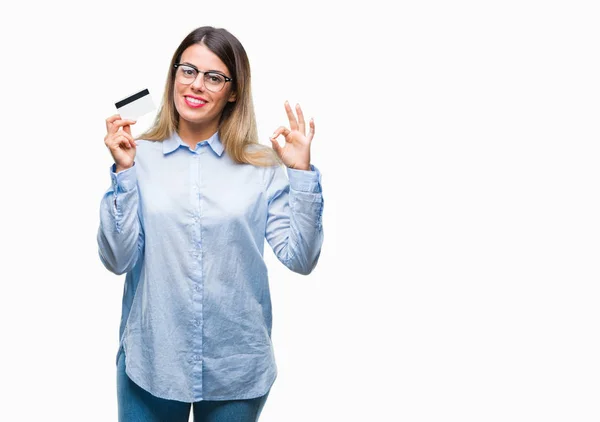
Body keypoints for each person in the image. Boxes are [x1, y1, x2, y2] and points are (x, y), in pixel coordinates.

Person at [97, 26, 324, 421]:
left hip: (236, 366)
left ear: (233, 91)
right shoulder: (139, 157)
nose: (196, 85)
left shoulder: (262, 164)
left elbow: (300, 259)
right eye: (188, 71)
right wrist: (123, 171)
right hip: (153, 361)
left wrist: (301, 174)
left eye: (214, 77)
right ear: (173, 77)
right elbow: (117, 259)